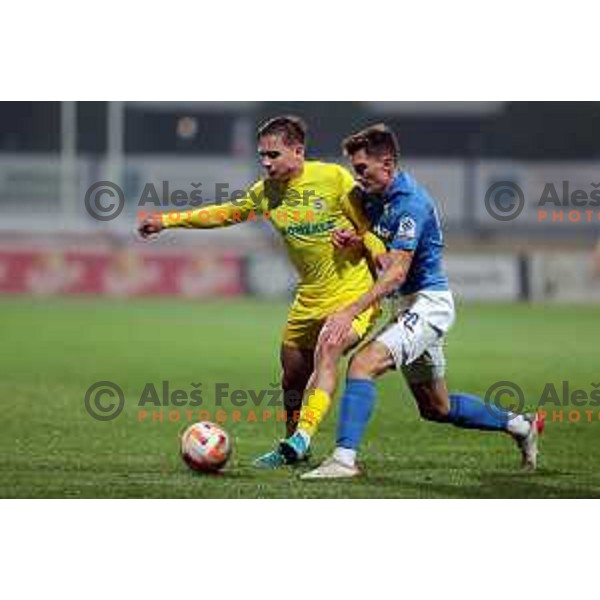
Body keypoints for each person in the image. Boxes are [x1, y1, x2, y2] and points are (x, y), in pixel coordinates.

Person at [276, 124, 544, 478]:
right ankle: (520, 425)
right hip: (408, 307)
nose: (357, 178)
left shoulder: (411, 204)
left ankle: (343, 459)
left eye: (362, 169)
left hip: (428, 305)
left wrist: (350, 310)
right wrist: (357, 239)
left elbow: (396, 273)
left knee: (362, 364)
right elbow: (379, 248)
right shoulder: (373, 197)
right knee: (436, 407)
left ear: (387, 165)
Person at [138, 115, 386, 469]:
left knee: (328, 349)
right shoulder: (266, 193)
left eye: (273, 155)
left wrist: (375, 255)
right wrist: (167, 221)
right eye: (262, 156)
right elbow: (224, 213)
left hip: (352, 294)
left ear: (298, 151)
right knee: (291, 375)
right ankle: (293, 444)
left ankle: (303, 437)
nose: (266, 163)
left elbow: (371, 224)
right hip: (309, 297)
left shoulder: (333, 178)